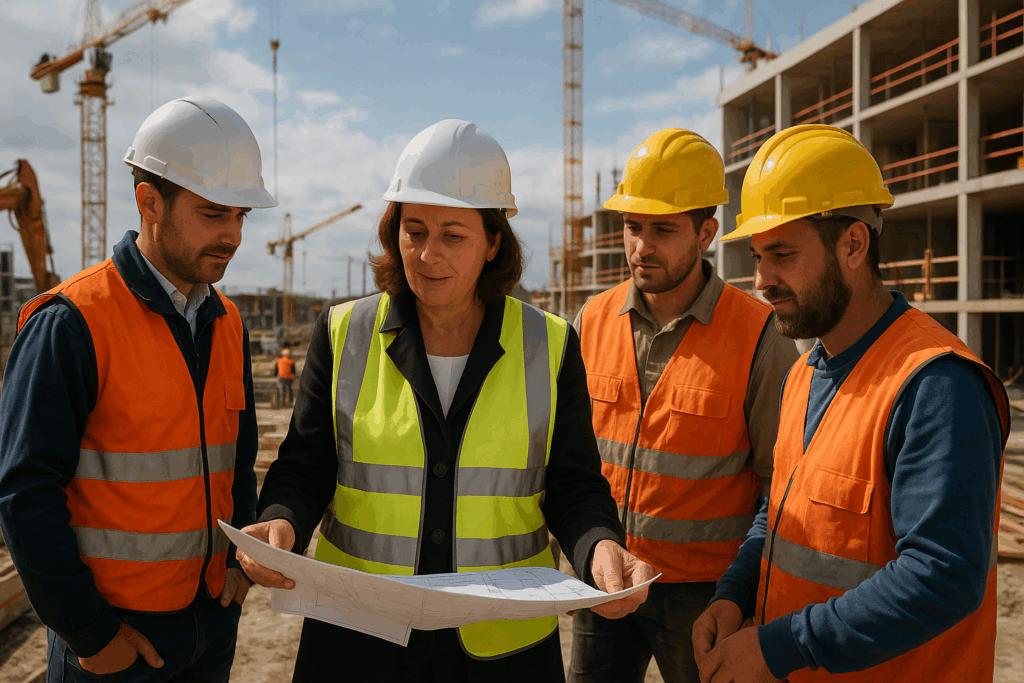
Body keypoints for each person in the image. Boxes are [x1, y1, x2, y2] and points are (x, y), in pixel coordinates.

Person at [236, 119, 656, 682]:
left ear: (493, 243)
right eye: (414, 232)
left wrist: (599, 546)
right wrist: (280, 521)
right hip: (358, 640)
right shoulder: (343, 333)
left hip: (503, 649)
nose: (428, 255)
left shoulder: (549, 344)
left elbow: (574, 486)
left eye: (453, 236)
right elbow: (305, 466)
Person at [692, 124, 1010, 682]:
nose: (762, 280)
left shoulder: (936, 384)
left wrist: (780, 647)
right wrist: (735, 593)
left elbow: (943, 575)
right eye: (758, 255)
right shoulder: (803, 374)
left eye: (782, 254)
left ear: (854, 245)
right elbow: (781, 511)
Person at [0, 95, 277, 682]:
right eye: (213, 214)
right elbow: (25, 494)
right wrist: (90, 633)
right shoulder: (71, 321)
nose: (232, 235)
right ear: (149, 202)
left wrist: (238, 563)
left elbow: (238, 461)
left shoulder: (228, 323)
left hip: (210, 622)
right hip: (117, 638)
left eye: (241, 216)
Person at [568, 129, 799, 683]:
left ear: (707, 233)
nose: (641, 247)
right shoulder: (591, 321)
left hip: (705, 594)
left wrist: (748, 595)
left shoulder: (760, 335)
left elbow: (780, 483)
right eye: (633, 227)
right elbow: (568, 458)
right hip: (605, 576)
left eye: (664, 230)